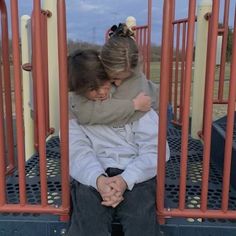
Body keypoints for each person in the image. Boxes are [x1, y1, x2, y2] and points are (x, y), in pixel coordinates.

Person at [67, 49, 170, 236]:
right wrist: (98, 180)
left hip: (134, 169)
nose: (101, 92)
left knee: (140, 217)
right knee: (88, 217)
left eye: (104, 82)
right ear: (78, 90)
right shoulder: (74, 109)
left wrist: (126, 179)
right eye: (91, 89)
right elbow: (77, 150)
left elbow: (155, 149)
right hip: (96, 171)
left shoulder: (136, 99)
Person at [69, 23, 159, 126]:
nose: (118, 83)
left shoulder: (134, 74)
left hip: (156, 110)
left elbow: (119, 120)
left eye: (124, 78)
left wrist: (130, 106)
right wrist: (132, 105)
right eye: (114, 77)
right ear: (102, 62)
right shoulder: (92, 68)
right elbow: (82, 110)